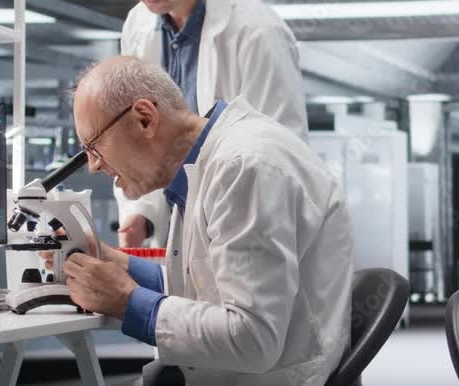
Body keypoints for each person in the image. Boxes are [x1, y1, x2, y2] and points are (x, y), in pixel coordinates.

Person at [57, 56, 352, 386]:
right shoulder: (205, 166)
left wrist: (128, 303)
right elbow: (203, 287)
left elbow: (252, 339)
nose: (94, 166)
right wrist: (113, 262)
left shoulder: (245, 166)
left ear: (144, 119)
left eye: (94, 146)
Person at [112, 0, 308, 248]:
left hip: (246, 230)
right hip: (177, 234)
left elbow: (280, 156)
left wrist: (235, 231)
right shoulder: (137, 26)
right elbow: (143, 137)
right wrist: (141, 213)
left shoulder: (257, 33)